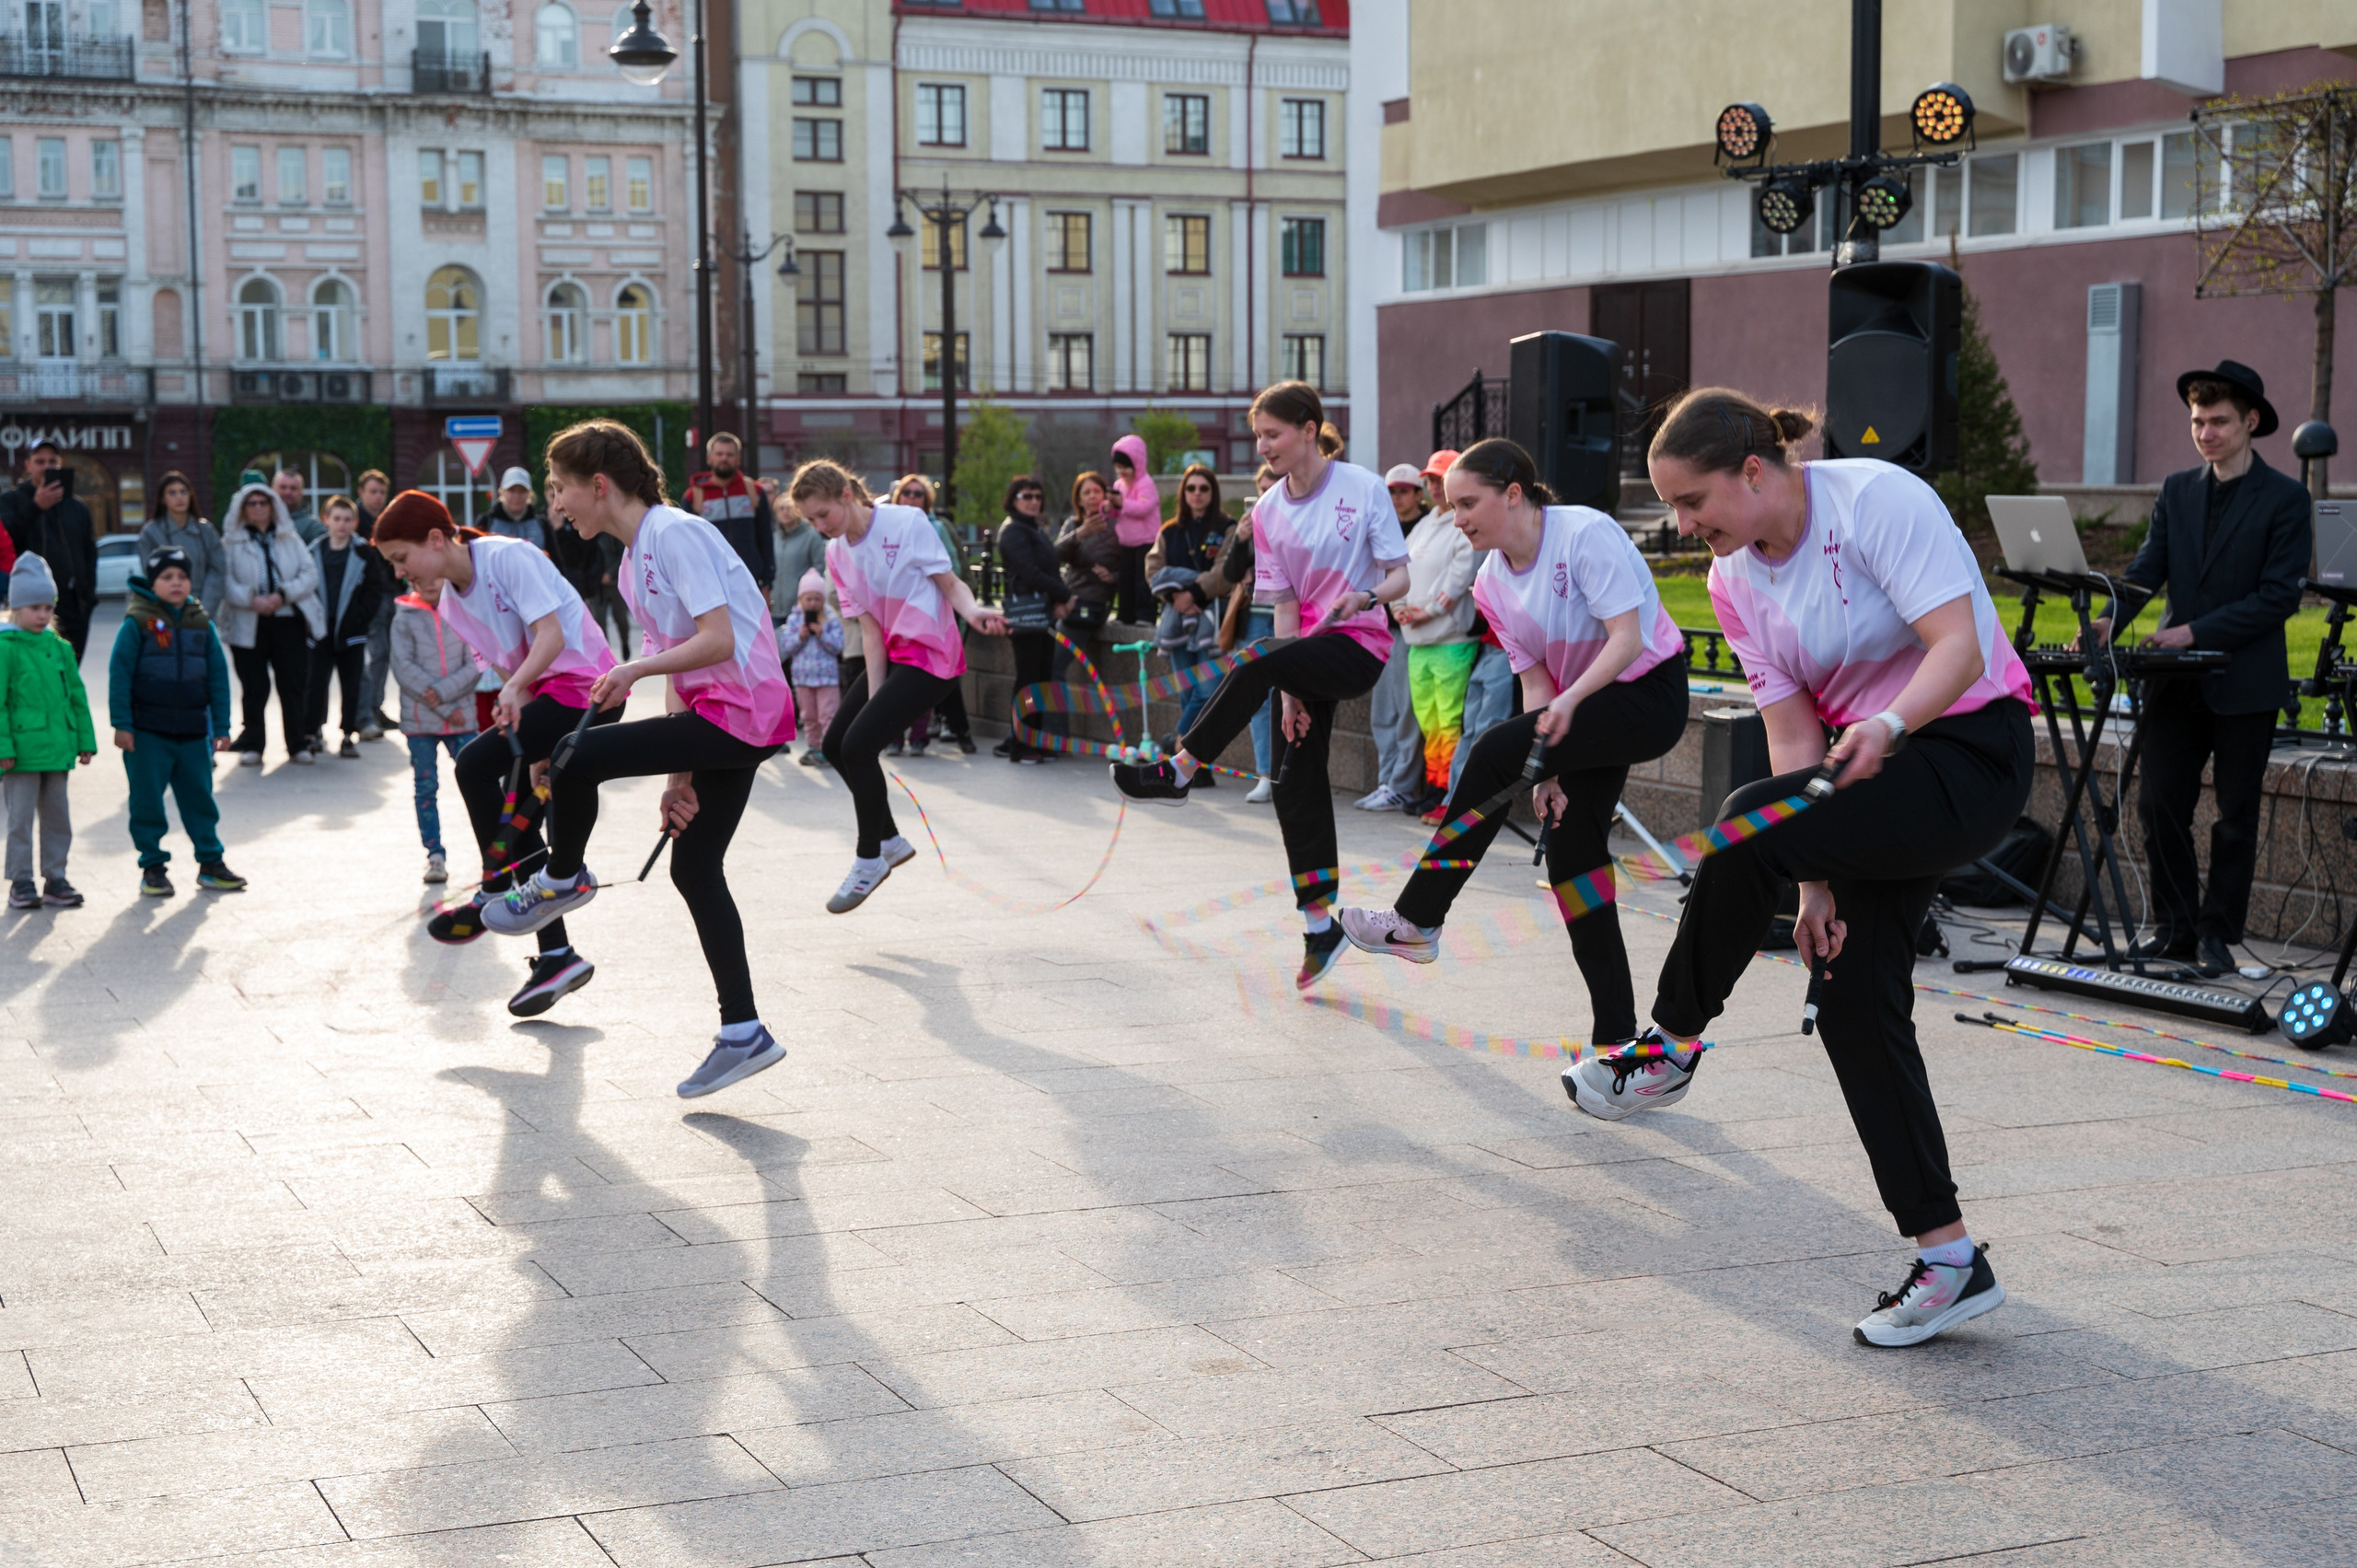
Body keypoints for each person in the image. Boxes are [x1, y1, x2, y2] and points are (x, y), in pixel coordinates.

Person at [1564, 388, 2037, 1350]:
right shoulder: (1737, 581)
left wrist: (1890, 724)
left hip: (1964, 748)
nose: (1684, 526)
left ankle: (1671, 1042)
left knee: (1741, 823)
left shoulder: (1877, 502)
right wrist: (1812, 881)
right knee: (1854, 995)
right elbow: (1792, 733)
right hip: (1863, 775)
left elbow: (1959, 645)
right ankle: (1950, 1258)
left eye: (1693, 502)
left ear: (1753, 471)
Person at [1336, 437, 1690, 1044]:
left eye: (1468, 502)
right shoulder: (1492, 583)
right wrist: (1544, 770)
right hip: (1580, 709)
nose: (1458, 517)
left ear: (1515, 494)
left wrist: (1566, 709)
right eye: (1450, 506)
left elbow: (1627, 639)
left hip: (1647, 693)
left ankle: (1418, 918)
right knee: (1573, 859)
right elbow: (1534, 679)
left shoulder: (1583, 534)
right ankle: (1616, 1039)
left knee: (1490, 751)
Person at [482, 420, 796, 1098]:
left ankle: (563, 878)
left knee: (571, 751)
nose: (557, 503)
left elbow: (717, 641)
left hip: (747, 711)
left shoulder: (674, 533)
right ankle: (744, 1032)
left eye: (562, 489)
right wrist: (678, 781)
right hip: (720, 717)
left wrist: (630, 668)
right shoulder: (631, 564)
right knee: (694, 865)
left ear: (599, 485)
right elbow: (682, 674)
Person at [1111, 383, 1411, 988]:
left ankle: (1182, 767)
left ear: (1307, 429)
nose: (1263, 446)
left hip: (1360, 645)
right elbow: (1285, 608)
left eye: (1272, 434)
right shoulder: (1270, 511)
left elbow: (1402, 575)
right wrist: (1292, 693)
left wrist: (1368, 595)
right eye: (1258, 436)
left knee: (1252, 660)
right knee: (1293, 781)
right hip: (1302, 652)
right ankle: (1320, 924)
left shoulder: (1363, 487)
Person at [369, 489, 620, 1019]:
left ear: (436, 539)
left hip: (589, 693)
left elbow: (549, 637)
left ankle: (498, 886)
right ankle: (557, 956)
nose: (400, 573)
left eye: (401, 558)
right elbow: (510, 670)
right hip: (548, 702)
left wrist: (515, 693)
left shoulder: (509, 557)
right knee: (518, 819)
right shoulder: (454, 601)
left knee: (473, 765)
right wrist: (528, 741)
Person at [2099, 360, 2311, 979]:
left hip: (2246, 683)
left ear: (2250, 422)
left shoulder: (2287, 498)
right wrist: (2110, 614)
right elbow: (2146, 569)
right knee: (2157, 803)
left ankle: (2218, 936)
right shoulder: (2177, 490)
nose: (2206, 432)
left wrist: (2193, 630)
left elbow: (2279, 597)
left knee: (2235, 817)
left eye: (2218, 421)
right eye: (2197, 421)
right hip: (2177, 683)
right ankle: (2176, 931)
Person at [793, 459, 1005, 912]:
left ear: (846, 496)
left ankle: (870, 857)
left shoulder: (907, 521)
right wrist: (875, 702)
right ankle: (889, 838)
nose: (818, 527)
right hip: (893, 653)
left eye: (822, 515)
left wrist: (973, 614)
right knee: (837, 745)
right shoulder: (836, 553)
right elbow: (870, 631)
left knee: (856, 747)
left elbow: (950, 585)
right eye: (809, 520)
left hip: (932, 656)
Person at [109, 547, 244, 898]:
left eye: (182, 577)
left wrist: (222, 728)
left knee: (200, 800)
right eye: (167, 577)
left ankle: (211, 864)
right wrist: (122, 724)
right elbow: (119, 675)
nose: (176, 583)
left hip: (193, 733)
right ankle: (153, 867)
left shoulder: (202, 623)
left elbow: (218, 679)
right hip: (147, 734)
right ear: (153, 583)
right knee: (147, 802)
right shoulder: (137, 622)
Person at [1, 555, 95, 909]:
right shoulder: (5, 648)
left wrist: (84, 741)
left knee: (58, 818)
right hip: (20, 756)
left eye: (47, 607)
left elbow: (77, 698)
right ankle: (21, 881)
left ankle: (56, 878)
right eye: (34, 607)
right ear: (16, 608)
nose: (42, 614)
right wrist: (2, 747)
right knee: (20, 821)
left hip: (57, 750)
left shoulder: (61, 649)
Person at [1396, 456, 1481, 821]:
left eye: (1440, 480)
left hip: (1450, 640)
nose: (1434, 487)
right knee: (1428, 721)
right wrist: (1398, 606)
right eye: (1430, 480)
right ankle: (1434, 787)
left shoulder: (1463, 527)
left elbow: (1458, 579)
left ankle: (1447, 791)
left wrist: (1424, 611)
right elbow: (1399, 565)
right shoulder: (1426, 524)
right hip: (1417, 641)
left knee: (1448, 722)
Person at [218, 481, 325, 766]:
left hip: (287, 620)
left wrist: (283, 595)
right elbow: (223, 580)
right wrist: (251, 599)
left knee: (292, 684)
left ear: (272, 506)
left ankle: (297, 744)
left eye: (263, 502)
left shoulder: (290, 537)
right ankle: (253, 743)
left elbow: (309, 574)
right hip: (247, 622)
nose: (257, 508)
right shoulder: (231, 542)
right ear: (242, 508)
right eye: (251, 503)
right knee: (254, 686)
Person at [390, 576, 482, 886]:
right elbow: (403, 668)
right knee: (426, 788)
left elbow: (476, 663)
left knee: (481, 782)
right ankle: (435, 855)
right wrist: (444, 707)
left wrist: (443, 696)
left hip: (463, 719)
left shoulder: (466, 611)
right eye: (418, 578)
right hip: (422, 722)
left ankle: (495, 853)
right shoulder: (404, 617)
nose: (428, 583)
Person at [1357, 463, 1434, 815]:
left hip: (1417, 630)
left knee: (1407, 714)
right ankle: (1387, 782)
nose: (1397, 498)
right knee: (1383, 712)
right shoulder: (1380, 525)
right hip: (1380, 629)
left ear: (1419, 494)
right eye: (1391, 491)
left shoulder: (1430, 526)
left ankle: (1400, 786)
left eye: (1404, 490)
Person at [1143, 464, 1232, 753]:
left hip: (1212, 619)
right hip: (1176, 619)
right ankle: (1194, 764)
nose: (1197, 494)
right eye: (1191, 488)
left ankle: (1178, 742)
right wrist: (1176, 598)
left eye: (1203, 488)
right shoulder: (1169, 531)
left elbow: (1224, 572)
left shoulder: (1226, 527)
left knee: (1207, 691)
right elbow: (1153, 570)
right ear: (1183, 493)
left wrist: (1193, 594)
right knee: (1186, 691)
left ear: (1212, 493)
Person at [888, 475, 976, 756]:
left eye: (918, 494)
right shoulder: (887, 529)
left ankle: (956, 733)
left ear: (927, 500)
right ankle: (893, 736)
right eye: (907, 493)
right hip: (896, 616)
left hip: (935, 614)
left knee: (943, 675)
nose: (912, 498)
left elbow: (954, 571)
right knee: (897, 681)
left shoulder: (938, 527)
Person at [305, 495, 393, 759]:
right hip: (320, 629)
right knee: (316, 682)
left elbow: (374, 589)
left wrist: (360, 618)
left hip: (351, 630)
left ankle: (348, 733)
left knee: (352, 684)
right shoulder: (314, 551)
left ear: (354, 522)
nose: (341, 525)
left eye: (347, 520)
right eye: (336, 519)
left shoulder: (363, 551)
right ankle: (313, 732)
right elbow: (306, 587)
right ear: (326, 520)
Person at [995, 474, 1068, 765]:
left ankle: (1034, 741)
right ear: (1014, 500)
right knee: (1027, 681)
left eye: (1038, 496)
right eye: (1027, 496)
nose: (1034, 501)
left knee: (1041, 680)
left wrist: (1059, 597)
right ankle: (1021, 744)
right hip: (1026, 615)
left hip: (1043, 613)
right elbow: (1031, 573)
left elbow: (1049, 569)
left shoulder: (1033, 529)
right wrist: (1066, 594)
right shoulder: (1013, 531)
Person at [1, 444, 99, 660]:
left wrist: (88, 599)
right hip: (28, 604)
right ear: (28, 465)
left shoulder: (77, 506)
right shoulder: (11, 501)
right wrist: (36, 507)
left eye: (52, 461)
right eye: (40, 461)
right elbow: (5, 541)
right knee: (32, 671)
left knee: (68, 672)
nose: (47, 467)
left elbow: (90, 554)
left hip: (72, 605)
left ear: (60, 464)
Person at [682, 433, 778, 594]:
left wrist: (767, 584)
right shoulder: (692, 497)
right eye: (719, 454)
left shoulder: (755, 492)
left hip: (750, 584)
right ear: (709, 458)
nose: (724, 458)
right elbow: (688, 547)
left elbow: (766, 539)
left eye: (729, 454)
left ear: (738, 459)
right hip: (711, 585)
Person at [137, 471, 227, 621]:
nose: (179, 497)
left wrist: (204, 608)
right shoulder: (151, 533)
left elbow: (217, 570)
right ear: (162, 499)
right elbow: (151, 575)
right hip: (165, 612)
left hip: (203, 609)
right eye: (172, 493)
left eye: (183, 492)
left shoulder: (206, 531)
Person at [551, 507, 634, 660]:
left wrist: (610, 573)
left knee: (621, 619)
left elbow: (623, 555)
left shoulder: (612, 533)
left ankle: (625, 642)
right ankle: (607, 657)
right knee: (600, 622)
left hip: (615, 584)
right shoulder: (587, 534)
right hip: (597, 587)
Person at [784, 567, 845, 769]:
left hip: (827, 678)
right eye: (808, 598)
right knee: (808, 716)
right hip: (802, 677)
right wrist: (799, 637)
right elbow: (786, 647)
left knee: (828, 715)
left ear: (823, 599)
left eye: (817, 598)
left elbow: (838, 646)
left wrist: (822, 634)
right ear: (801, 599)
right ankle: (814, 747)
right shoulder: (794, 620)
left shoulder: (831, 619)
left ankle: (829, 749)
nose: (812, 603)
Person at [354, 469, 400, 737]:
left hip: (391, 591)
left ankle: (375, 707)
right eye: (373, 491)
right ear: (361, 492)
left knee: (385, 655)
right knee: (375, 653)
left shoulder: (388, 520)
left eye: (382, 492)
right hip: (368, 597)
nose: (378, 497)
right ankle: (366, 711)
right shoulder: (355, 521)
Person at [1109, 434, 1162, 625]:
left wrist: (1121, 502)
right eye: (1118, 468)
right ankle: (1125, 614)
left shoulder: (1146, 483)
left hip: (1146, 541)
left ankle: (1146, 615)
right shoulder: (1119, 485)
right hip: (1126, 542)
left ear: (1137, 464)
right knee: (1126, 580)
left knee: (1143, 580)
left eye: (1126, 467)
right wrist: (1109, 508)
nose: (1122, 472)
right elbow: (1117, 513)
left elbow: (1144, 508)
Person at [476, 469, 550, 552]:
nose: (517, 496)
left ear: (529, 494)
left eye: (522, 491)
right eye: (512, 490)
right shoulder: (486, 522)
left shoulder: (542, 524)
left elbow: (555, 561)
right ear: (502, 492)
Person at [273, 469, 323, 543]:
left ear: (301, 492)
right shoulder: (261, 522)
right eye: (283, 487)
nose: (288, 492)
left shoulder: (313, 527)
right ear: (272, 489)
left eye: (293, 488)